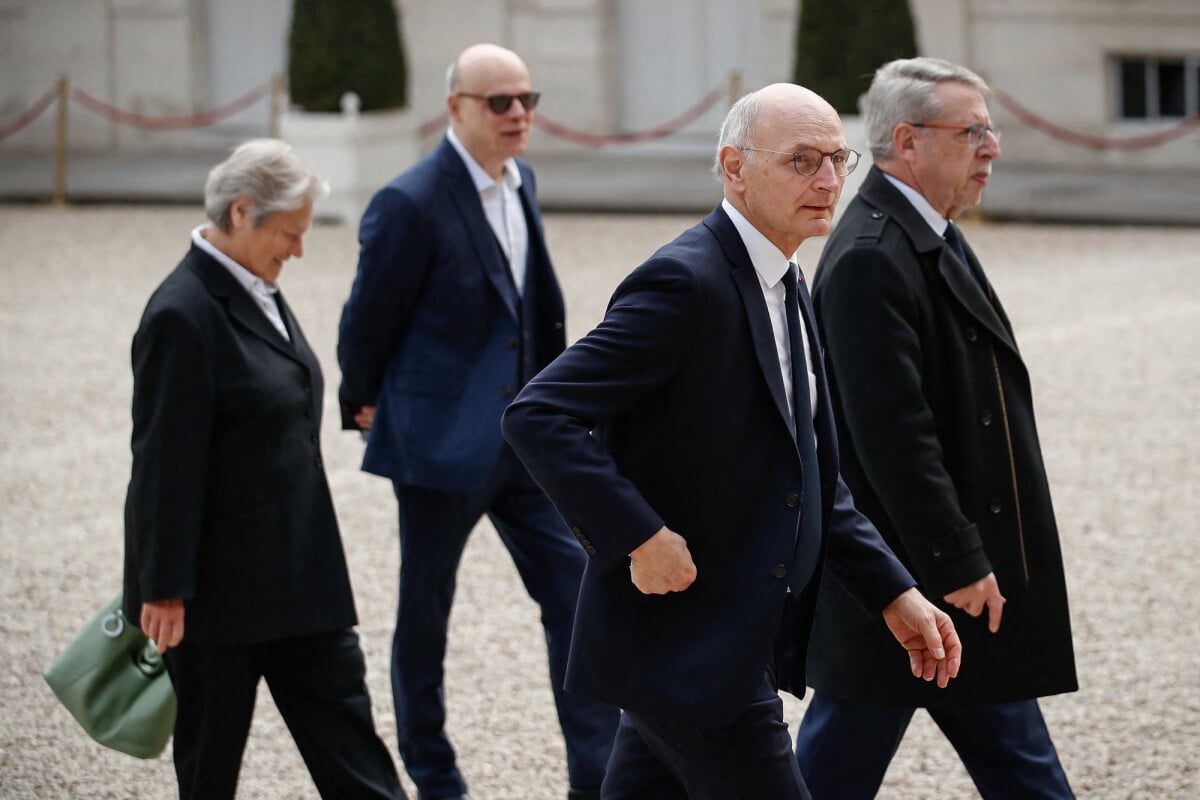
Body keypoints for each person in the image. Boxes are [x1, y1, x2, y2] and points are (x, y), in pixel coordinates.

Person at [501, 82, 964, 799]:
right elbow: (539, 414)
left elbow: (809, 476)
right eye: (802, 160)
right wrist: (638, 535)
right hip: (693, 647)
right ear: (733, 167)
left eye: (837, 159)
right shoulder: (685, 284)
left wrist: (892, 591)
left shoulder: (788, 280)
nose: (828, 181)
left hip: (725, 641)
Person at [336, 43, 619, 800]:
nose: (519, 114)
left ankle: (597, 780)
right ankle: (435, 779)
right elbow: (368, 319)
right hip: (439, 448)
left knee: (576, 599)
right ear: (456, 107)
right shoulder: (409, 201)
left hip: (528, 446)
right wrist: (359, 396)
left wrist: (566, 408)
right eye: (501, 102)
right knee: (425, 621)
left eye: (527, 99)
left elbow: (532, 308)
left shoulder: (521, 180)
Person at [794, 57, 1078, 799]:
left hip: (936, 580)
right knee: (843, 768)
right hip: (913, 582)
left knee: (1013, 759)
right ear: (908, 142)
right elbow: (893, 436)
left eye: (991, 131)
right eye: (973, 132)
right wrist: (958, 559)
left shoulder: (928, 231)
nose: (993, 148)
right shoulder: (869, 258)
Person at [122, 139, 405, 800]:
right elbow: (163, 460)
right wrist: (161, 586)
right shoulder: (180, 314)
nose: (298, 250)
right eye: (289, 233)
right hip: (216, 599)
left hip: (302, 579)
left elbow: (283, 395)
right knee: (210, 768)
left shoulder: (259, 287)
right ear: (242, 212)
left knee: (354, 753)